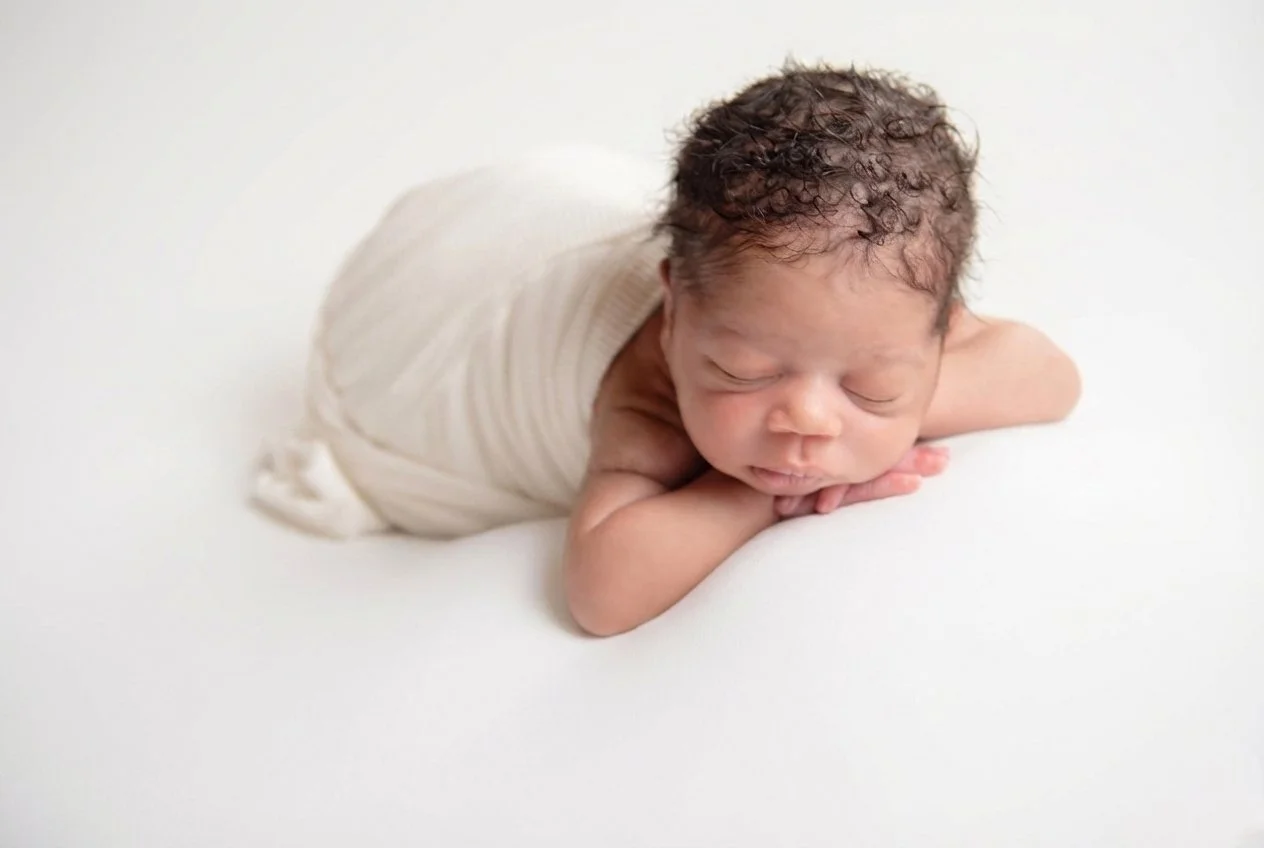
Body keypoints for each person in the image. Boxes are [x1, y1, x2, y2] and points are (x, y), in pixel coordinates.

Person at [253, 62, 1080, 637]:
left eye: (869, 386)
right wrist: (761, 498)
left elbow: (1053, 380)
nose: (806, 421)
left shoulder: (870, 306)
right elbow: (601, 592)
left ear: (942, 327)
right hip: (424, 339)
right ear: (674, 311)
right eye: (743, 372)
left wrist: (886, 424)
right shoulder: (645, 398)